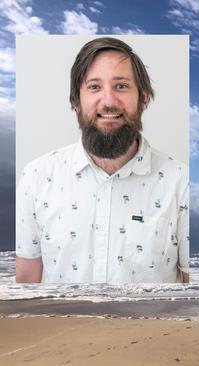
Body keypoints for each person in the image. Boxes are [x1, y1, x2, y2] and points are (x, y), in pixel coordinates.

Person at [15, 37, 189, 284]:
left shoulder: (181, 183)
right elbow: (26, 285)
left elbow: (195, 290)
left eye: (121, 86)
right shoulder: (36, 178)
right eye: (94, 87)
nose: (108, 101)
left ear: (144, 98)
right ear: (77, 101)